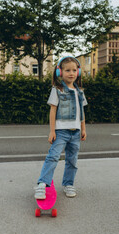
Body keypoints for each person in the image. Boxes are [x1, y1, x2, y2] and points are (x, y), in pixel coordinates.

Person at [34, 56, 88, 199]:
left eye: (74, 70)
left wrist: (83, 129)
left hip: (75, 132)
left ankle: (68, 184)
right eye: (67, 70)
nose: (71, 73)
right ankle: (42, 185)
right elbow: (52, 110)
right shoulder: (57, 90)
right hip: (61, 132)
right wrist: (52, 131)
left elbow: (81, 112)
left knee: (72, 160)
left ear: (79, 72)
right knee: (53, 157)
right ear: (60, 73)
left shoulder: (80, 91)